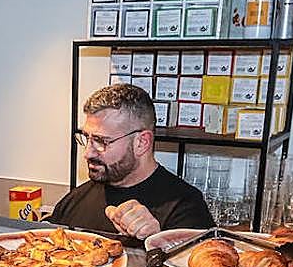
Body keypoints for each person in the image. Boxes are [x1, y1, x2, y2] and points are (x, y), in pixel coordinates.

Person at [52, 83, 213, 241]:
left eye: (101, 141)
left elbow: (198, 256)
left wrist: (158, 240)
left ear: (141, 143)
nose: (88, 153)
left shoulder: (186, 207)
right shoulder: (75, 201)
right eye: (86, 137)